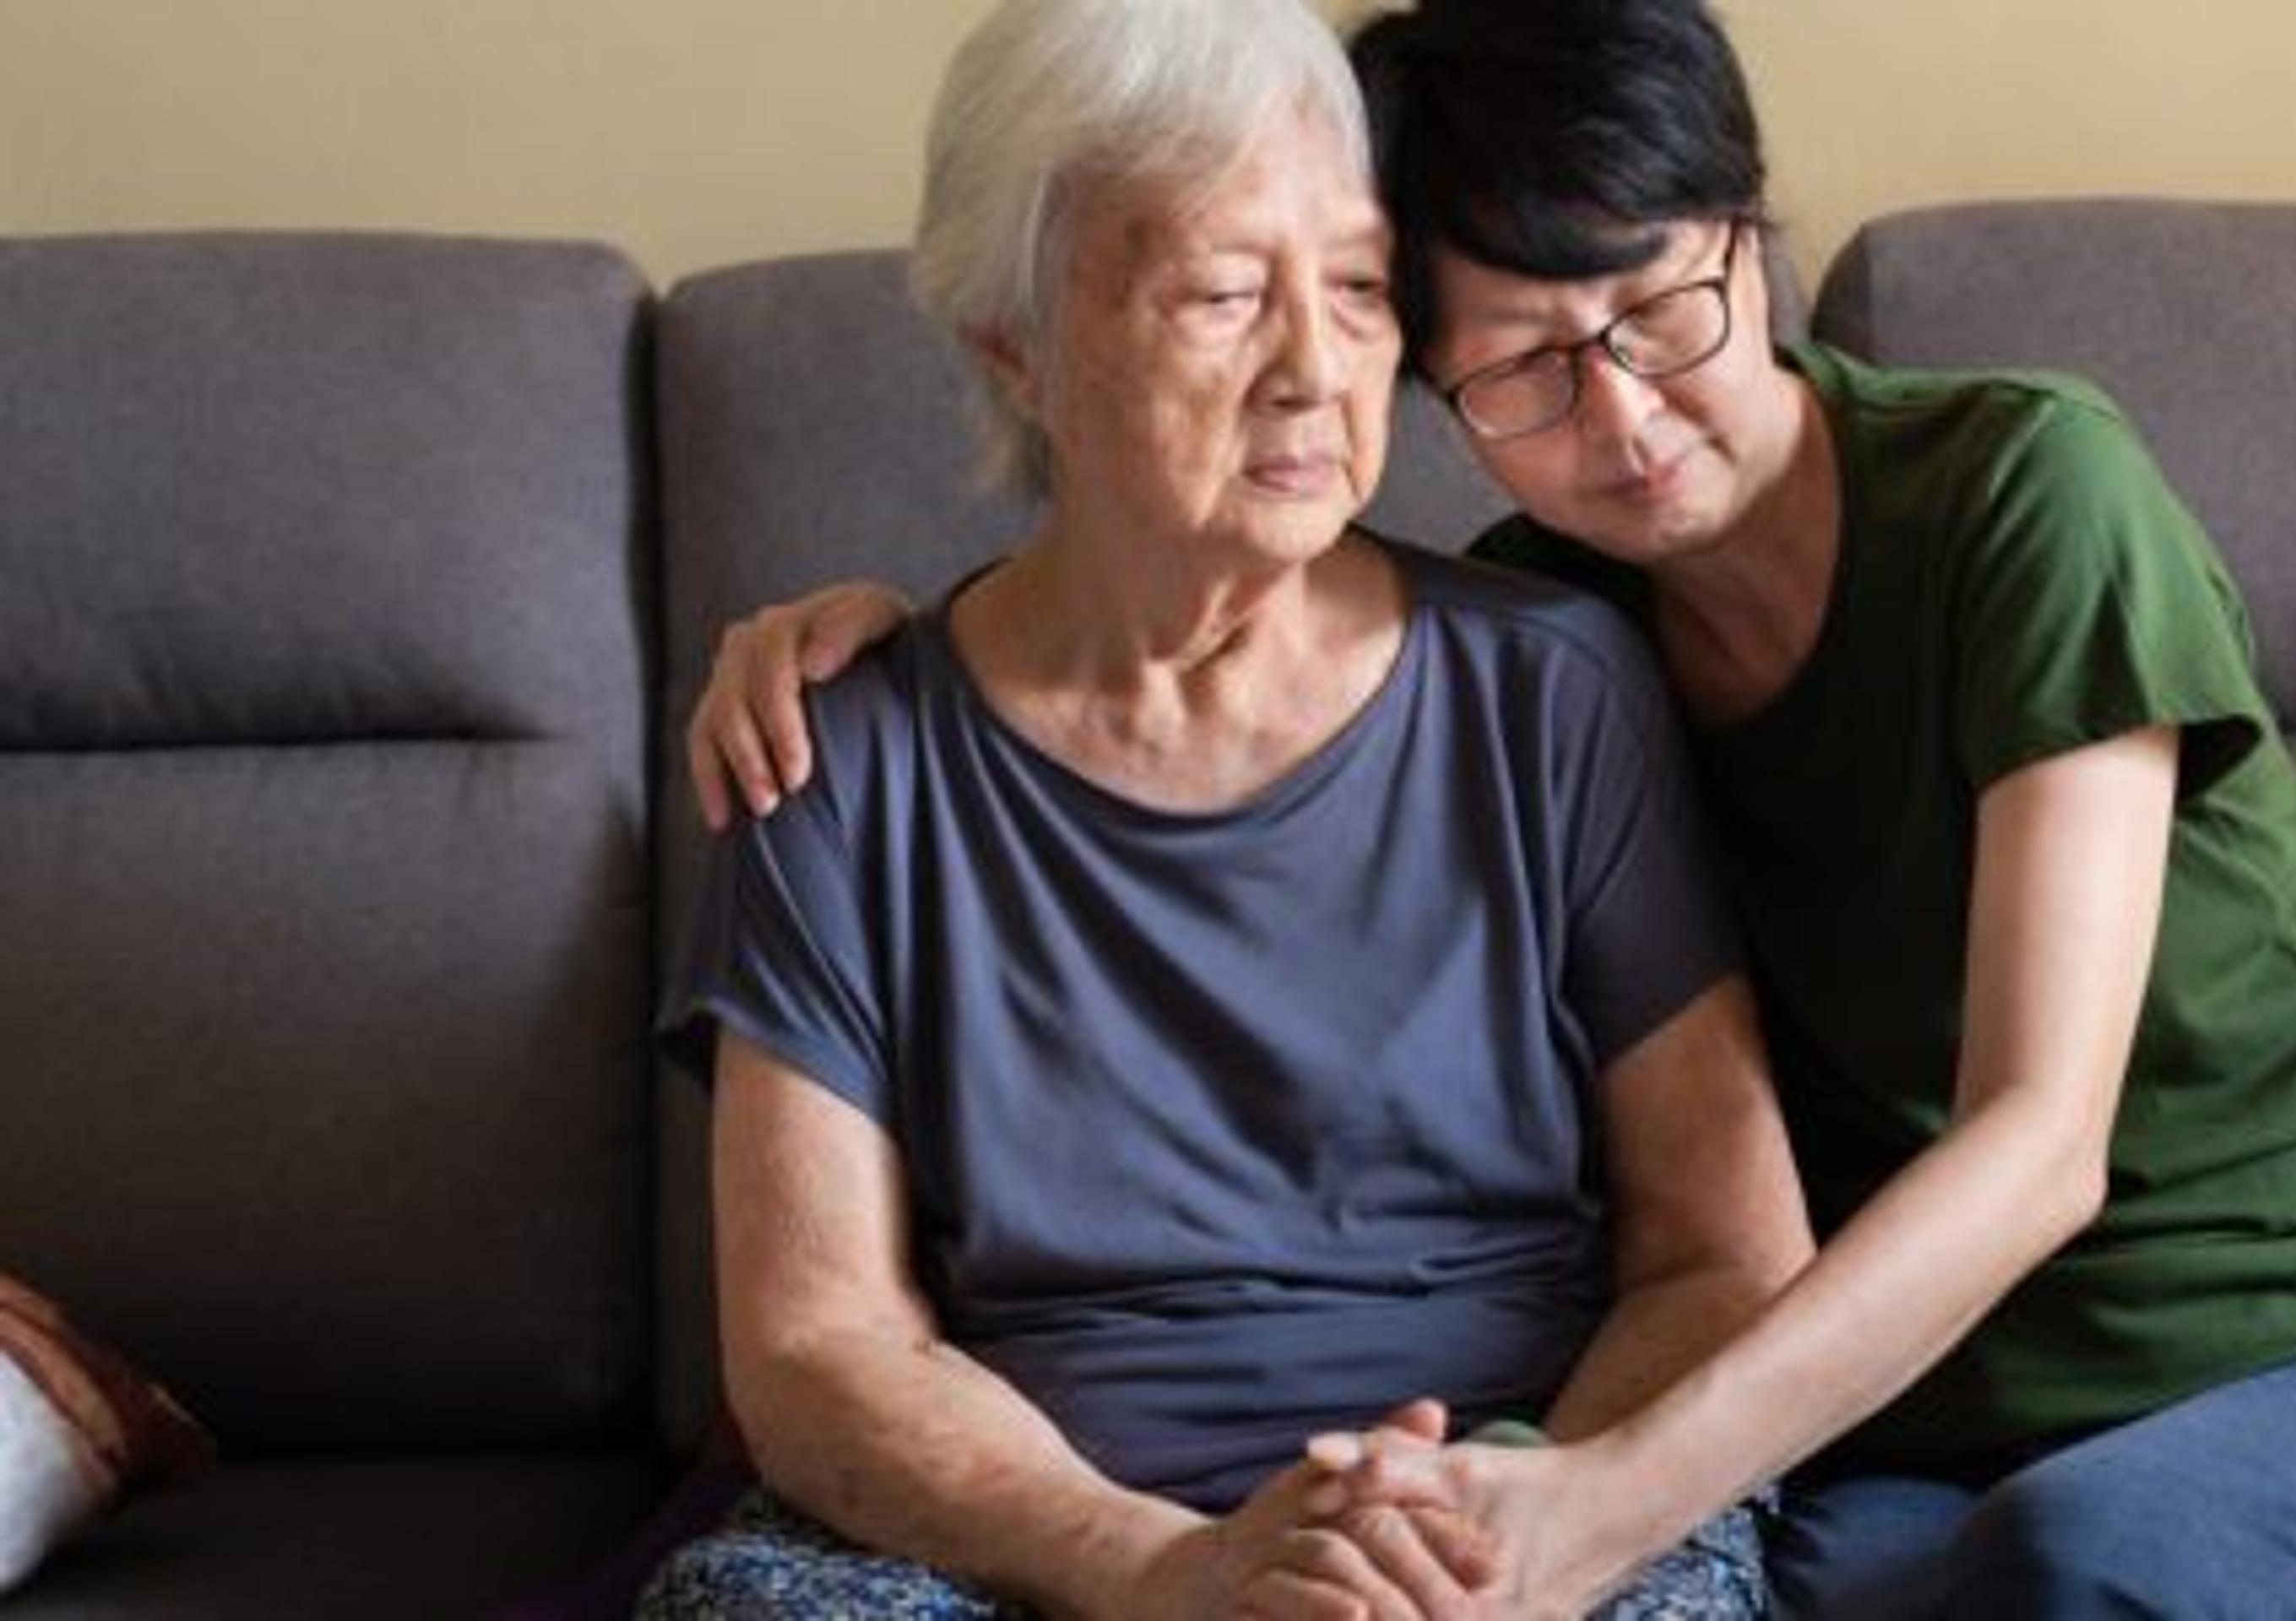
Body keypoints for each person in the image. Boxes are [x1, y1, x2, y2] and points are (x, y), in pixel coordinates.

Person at [692, 0, 2296, 1613]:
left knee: (2083, 1567)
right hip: (1922, 1440)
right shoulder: (1568, 627)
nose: (1624, 422)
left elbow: (2036, 1145)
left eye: (1662, 309)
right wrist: (870, 661)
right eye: (1530, 366)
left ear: (1756, 243)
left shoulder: (2016, 501)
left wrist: (1588, 1502)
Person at [642, 1, 1813, 1616]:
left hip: (1513, 1515)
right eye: (1219, 293)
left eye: (1353, 287)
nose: (1315, 370)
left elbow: (1728, 1256)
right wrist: (1163, 1570)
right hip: (1041, 1547)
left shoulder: (1551, 691)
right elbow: (815, 1345)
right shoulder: (834, 754)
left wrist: (1487, 1529)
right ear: (1016, 345)